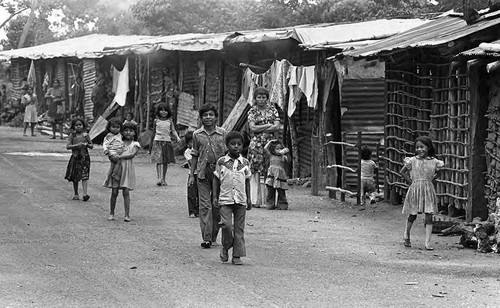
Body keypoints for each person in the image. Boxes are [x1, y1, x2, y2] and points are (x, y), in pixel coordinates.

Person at [188, 103, 227, 249]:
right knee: (205, 206)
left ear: (216, 117)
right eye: (205, 115)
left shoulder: (223, 133)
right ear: (201, 118)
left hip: (220, 174)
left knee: (216, 205)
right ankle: (206, 238)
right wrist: (192, 175)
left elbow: (228, 153)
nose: (208, 117)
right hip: (202, 173)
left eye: (211, 115)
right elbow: (194, 154)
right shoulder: (197, 134)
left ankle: (214, 234)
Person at [399, 136, 444, 251]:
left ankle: (427, 243)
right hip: (415, 190)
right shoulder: (412, 161)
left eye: (422, 147)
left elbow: (439, 172)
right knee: (413, 215)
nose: (420, 149)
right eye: (417, 147)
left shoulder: (435, 162)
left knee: (429, 216)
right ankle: (406, 234)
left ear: (428, 147)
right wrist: (411, 182)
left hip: (428, 191)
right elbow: (402, 172)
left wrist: (431, 180)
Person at [214, 131, 252, 265]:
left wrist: (249, 198)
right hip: (225, 199)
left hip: (241, 199)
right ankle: (225, 246)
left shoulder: (245, 163)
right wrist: (215, 196)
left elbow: (247, 181)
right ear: (227, 145)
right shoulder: (222, 162)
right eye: (233, 144)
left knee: (239, 229)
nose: (236, 147)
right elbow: (216, 179)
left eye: (239, 144)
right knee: (226, 226)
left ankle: (237, 256)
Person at [247, 87, 282, 207]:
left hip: (270, 144)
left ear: (267, 98)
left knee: (269, 169)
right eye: (259, 97)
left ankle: (269, 201)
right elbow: (252, 128)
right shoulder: (252, 111)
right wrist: (269, 125)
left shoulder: (273, 110)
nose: (261, 100)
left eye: (264, 97)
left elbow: (277, 127)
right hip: (256, 144)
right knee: (255, 170)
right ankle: (255, 200)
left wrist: (260, 127)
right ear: (255, 99)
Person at [103, 122, 141, 222]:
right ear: (122, 131)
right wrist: (111, 156)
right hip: (116, 167)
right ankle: (111, 213)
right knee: (114, 191)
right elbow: (110, 150)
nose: (128, 132)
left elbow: (132, 155)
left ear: (135, 133)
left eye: (131, 131)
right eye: (126, 130)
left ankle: (127, 215)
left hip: (127, 169)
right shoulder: (118, 142)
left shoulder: (135, 144)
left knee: (126, 192)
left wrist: (119, 157)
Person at [149, 102, 180, 186]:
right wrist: (150, 145)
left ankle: (163, 178)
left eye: (165, 110)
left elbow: (173, 130)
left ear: (168, 112)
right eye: (161, 110)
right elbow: (153, 132)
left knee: (165, 161)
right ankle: (159, 178)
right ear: (158, 111)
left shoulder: (170, 121)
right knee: (158, 160)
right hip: (157, 141)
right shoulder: (156, 121)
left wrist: (177, 137)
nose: (163, 112)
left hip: (167, 142)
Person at [64, 118, 93, 201]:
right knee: (75, 176)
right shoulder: (72, 136)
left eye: (80, 125)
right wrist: (76, 146)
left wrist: (86, 144)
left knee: (85, 175)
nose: (78, 127)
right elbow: (68, 146)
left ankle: (85, 194)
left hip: (85, 158)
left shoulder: (86, 135)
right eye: (76, 125)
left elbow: (91, 145)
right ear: (73, 127)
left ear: (83, 126)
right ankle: (76, 193)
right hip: (76, 157)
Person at [264, 139, 289, 210]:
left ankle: (282, 205)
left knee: (281, 190)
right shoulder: (271, 155)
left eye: (280, 148)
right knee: (270, 191)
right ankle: (270, 204)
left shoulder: (284, 157)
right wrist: (270, 142)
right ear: (273, 150)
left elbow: (288, 160)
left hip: (280, 175)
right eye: (277, 149)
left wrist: (285, 151)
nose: (279, 150)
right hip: (272, 176)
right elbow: (265, 148)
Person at [184, 131, 199, 218]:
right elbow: (192, 162)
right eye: (191, 142)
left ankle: (200, 210)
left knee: (200, 194)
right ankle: (192, 211)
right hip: (192, 175)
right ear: (187, 144)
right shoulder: (188, 152)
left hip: (200, 174)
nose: (193, 144)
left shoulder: (200, 150)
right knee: (192, 194)